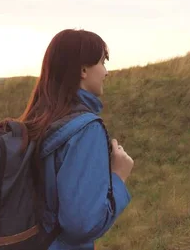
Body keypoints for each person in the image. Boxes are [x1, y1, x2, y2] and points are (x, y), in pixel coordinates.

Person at [16, 29, 134, 249]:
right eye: (102, 62)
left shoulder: (36, 119)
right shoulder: (85, 130)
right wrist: (119, 175)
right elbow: (82, 225)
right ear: (83, 70)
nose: (106, 72)